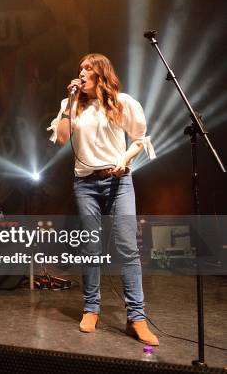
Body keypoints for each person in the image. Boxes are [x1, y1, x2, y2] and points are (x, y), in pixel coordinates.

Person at [48, 53, 158, 345]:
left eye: (87, 68)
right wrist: (70, 103)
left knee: (127, 247)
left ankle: (136, 317)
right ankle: (91, 308)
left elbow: (139, 139)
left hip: (119, 181)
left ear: (101, 73)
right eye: (79, 68)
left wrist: (124, 160)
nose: (81, 73)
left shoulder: (123, 102)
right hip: (85, 184)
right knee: (91, 246)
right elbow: (61, 137)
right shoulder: (72, 105)